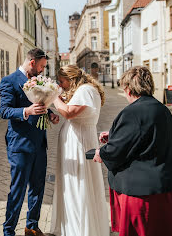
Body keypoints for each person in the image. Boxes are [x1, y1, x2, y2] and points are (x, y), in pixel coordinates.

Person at [93, 66, 172, 236]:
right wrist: (115, 134)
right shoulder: (162, 108)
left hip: (143, 192)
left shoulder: (132, 112)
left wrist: (101, 153)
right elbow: (148, 135)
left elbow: (117, 151)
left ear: (129, 89)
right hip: (168, 184)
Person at [0, 48, 60, 236]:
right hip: (20, 145)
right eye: (41, 66)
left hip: (40, 144)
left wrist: (50, 114)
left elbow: (41, 103)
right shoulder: (9, 81)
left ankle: (32, 226)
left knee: (38, 187)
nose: (42, 70)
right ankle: (8, 231)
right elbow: (4, 111)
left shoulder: (39, 81)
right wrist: (26, 112)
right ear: (32, 62)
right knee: (17, 190)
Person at [50, 65, 109, 236]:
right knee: (74, 183)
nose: (62, 86)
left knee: (79, 183)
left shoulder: (85, 90)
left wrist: (53, 95)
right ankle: (74, 225)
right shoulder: (86, 89)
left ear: (71, 79)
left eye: (62, 82)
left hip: (79, 143)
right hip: (78, 139)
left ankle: (80, 229)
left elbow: (69, 112)